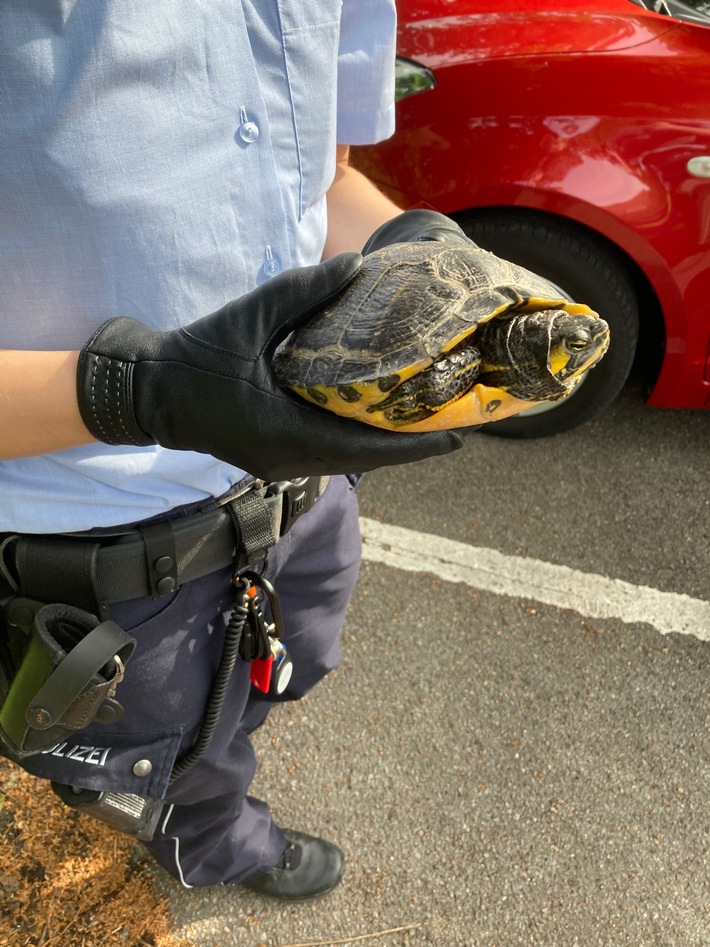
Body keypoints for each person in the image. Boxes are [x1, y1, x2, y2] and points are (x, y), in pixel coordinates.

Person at [0, 1, 476, 901]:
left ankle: (219, 764)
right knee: (173, 761)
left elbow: (311, 181)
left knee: (286, 664)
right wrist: (137, 393)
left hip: (295, 481)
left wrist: (408, 244)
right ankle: (211, 843)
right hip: (106, 535)